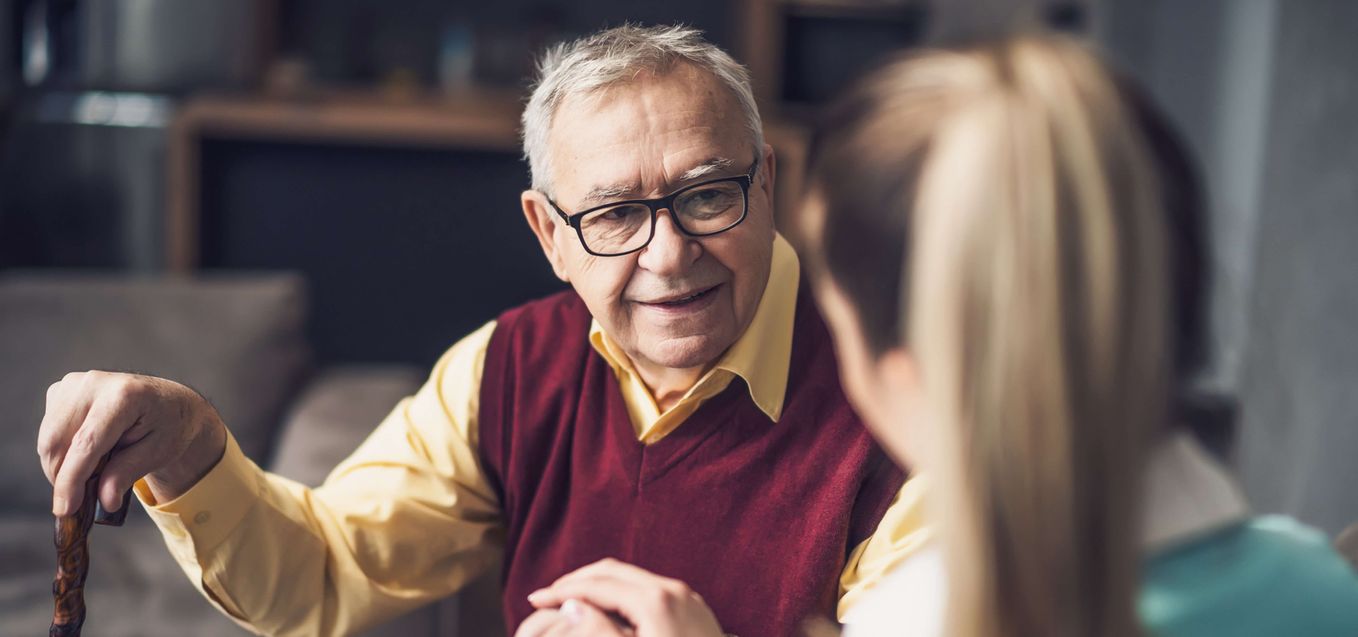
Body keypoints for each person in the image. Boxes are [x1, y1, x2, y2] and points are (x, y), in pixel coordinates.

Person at [34, 25, 922, 637]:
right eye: (614, 215)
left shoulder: (905, 403)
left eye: (706, 195)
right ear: (547, 234)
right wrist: (192, 446)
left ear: (765, 184)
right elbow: (327, 570)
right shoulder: (506, 367)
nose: (668, 253)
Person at [524, 34, 1358, 637]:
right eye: (619, 213)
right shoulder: (1322, 587)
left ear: (911, 365)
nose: (669, 253)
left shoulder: (914, 615)